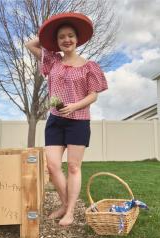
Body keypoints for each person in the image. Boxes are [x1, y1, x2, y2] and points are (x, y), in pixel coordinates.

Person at [25, 12, 108, 226]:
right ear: (57, 41)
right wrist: (48, 32)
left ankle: (70, 211)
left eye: (71, 35)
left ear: (77, 39)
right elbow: (30, 44)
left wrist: (74, 106)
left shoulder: (90, 66)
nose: (67, 40)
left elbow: (93, 95)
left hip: (79, 119)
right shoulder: (53, 61)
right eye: (61, 36)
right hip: (55, 119)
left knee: (73, 167)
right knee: (52, 165)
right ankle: (64, 203)